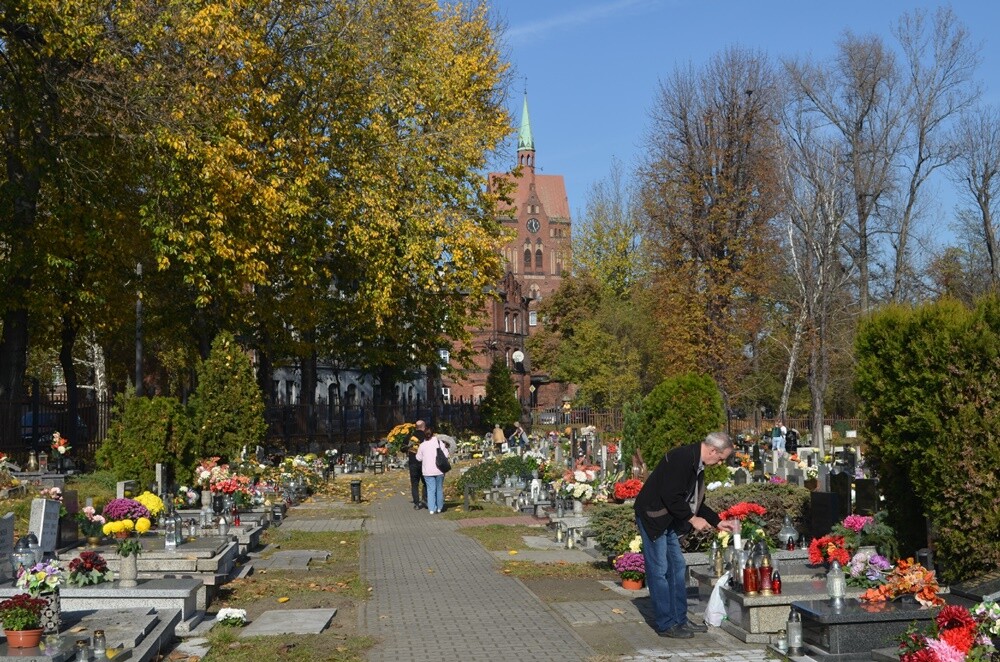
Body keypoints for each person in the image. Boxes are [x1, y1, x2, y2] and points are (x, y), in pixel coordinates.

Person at [633, 432, 736, 639]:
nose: (719, 463)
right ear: (713, 450)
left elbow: (695, 500)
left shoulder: (696, 462)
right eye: (721, 458)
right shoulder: (683, 458)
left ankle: (680, 619)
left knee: (677, 566)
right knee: (659, 570)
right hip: (653, 516)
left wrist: (717, 521)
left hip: (668, 518)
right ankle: (666, 623)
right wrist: (691, 519)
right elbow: (671, 496)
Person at [416, 426, 449, 514]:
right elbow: (446, 454)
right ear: (433, 433)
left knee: (430, 490)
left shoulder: (422, 445)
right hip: (439, 470)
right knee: (439, 489)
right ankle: (439, 507)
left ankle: (431, 508)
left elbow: (418, 458)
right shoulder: (439, 443)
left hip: (427, 471)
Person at [407, 420, 427, 510]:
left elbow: (402, 448)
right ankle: (425, 499)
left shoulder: (410, 436)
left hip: (413, 463)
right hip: (424, 463)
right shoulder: (427, 436)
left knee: (414, 483)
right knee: (426, 482)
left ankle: (416, 503)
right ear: (424, 427)